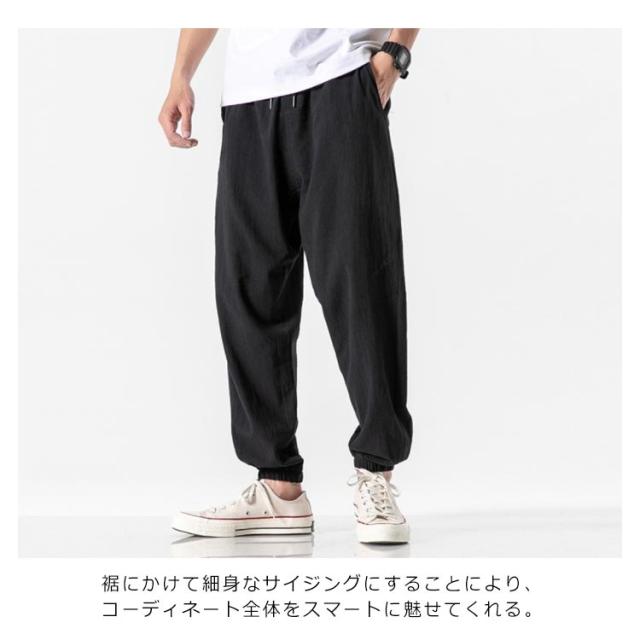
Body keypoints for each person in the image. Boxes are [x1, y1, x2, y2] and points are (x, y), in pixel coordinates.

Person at [159, 28, 419, 544]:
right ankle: (278, 490)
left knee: (361, 283)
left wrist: (394, 53)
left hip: (341, 81)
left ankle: (377, 472)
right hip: (248, 99)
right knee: (249, 288)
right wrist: (181, 74)